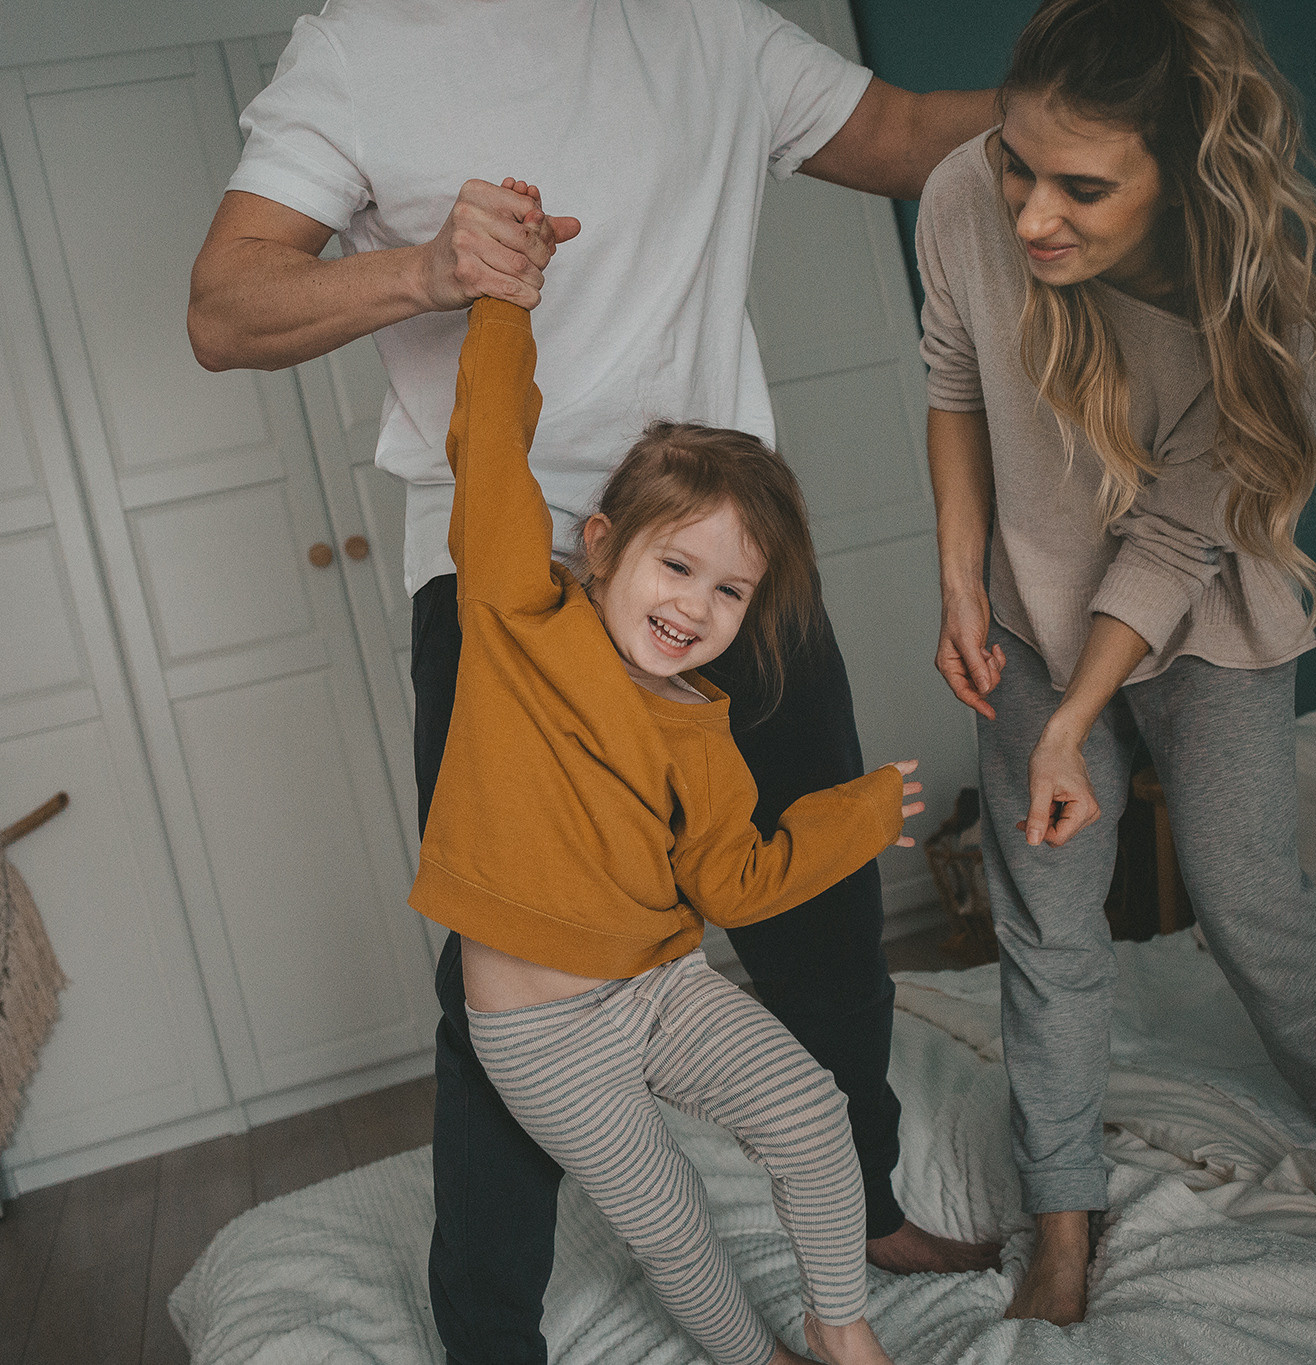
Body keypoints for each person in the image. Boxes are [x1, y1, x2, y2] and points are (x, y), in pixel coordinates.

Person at [187, 5, 1001, 1362]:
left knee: (824, 918)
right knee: (509, 977)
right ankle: (489, 1336)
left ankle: (861, 1213)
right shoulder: (362, 47)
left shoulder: (711, 26)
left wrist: (1111, 84)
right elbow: (223, 309)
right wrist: (427, 269)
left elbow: (914, 135)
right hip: (510, 581)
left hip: (721, 560)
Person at [914, 0, 1316, 1327]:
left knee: (1247, 894)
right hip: (1026, 601)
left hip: (1202, 612)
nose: (1031, 213)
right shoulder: (962, 195)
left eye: (1080, 188)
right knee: (1044, 917)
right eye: (1018, 163)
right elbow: (953, 381)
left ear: (1175, 179)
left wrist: (1074, 719)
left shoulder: (1252, 319)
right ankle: (1060, 1223)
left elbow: (1176, 538)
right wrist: (959, 581)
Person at [419, 214, 924, 1358]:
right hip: (539, 1035)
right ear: (602, 546)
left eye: (729, 591)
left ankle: (841, 1331)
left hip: (659, 988)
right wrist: (502, 303)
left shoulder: (702, 726)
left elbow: (733, 883)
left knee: (811, 1114)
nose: (696, 605)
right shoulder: (514, 613)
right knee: (671, 1225)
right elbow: (487, 443)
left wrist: (851, 816)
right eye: (677, 565)